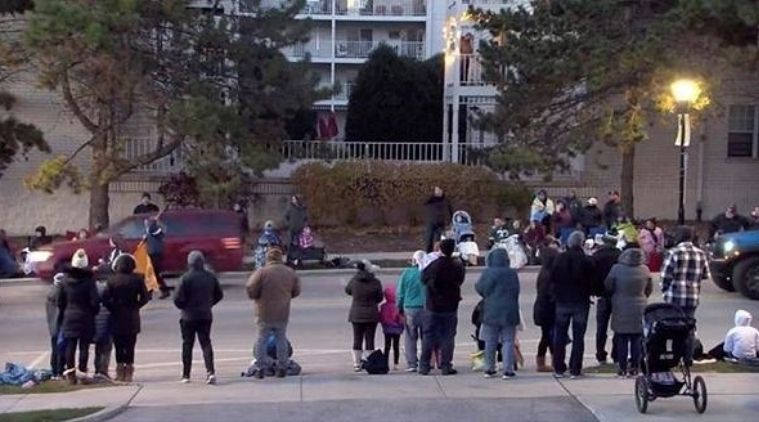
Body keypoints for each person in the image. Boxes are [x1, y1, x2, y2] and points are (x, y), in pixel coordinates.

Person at [246, 247, 301, 379]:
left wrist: (256, 296)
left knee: (262, 339)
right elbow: (296, 290)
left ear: (268, 258)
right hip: (282, 311)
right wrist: (287, 296)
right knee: (281, 338)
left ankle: (260, 367)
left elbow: (250, 288)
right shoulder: (289, 273)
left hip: (263, 312)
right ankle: (282, 367)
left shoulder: (262, 272)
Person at [173, 251, 224, 385]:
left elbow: (177, 299)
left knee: (187, 344)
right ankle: (210, 372)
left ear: (189, 263)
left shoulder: (185, 278)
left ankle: (186, 374)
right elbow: (219, 294)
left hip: (188, 316)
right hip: (205, 314)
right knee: (206, 343)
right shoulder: (210, 277)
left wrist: (184, 307)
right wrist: (209, 304)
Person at [550, 231, 595, 378]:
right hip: (580, 301)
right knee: (578, 336)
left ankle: (558, 367)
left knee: (560, 335)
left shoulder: (559, 259)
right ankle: (575, 368)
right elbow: (592, 281)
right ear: (581, 243)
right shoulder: (586, 260)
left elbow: (553, 278)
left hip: (562, 300)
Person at [420, 238, 466, 376]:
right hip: (450, 305)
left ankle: (424, 365)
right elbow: (460, 280)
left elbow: (423, 278)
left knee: (428, 335)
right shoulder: (457, 266)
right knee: (448, 336)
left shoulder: (434, 265)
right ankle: (446, 365)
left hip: (433, 305)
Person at [604, 248, 653, 377]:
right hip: (639, 306)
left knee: (622, 338)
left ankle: (622, 367)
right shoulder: (645, 270)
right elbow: (649, 288)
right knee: (637, 338)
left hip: (620, 304)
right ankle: (635, 366)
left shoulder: (616, 269)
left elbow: (608, 285)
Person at [102, 254, 149, 383]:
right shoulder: (138, 279)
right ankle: (129, 370)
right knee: (130, 345)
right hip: (132, 315)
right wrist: (137, 306)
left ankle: (119, 370)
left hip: (116, 315)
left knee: (118, 345)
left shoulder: (112, 280)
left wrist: (112, 307)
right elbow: (145, 298)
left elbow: (105, 298)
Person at [475, 248, 520, 379]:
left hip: (491, 310)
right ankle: (508, 369)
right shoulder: (512, 273)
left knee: (490, 340)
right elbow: (516, 290)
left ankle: (489, 368)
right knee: (508, 340)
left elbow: (480, 288)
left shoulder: (488, 273)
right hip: (510, 310)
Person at [58, 249, 100, 385]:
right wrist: (93, 312)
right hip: (86, 316)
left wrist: (65, 312)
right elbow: (95, 301)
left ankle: (70, 374)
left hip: (69, 315)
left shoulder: (64, 281)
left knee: (70, 346)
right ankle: (82, 373)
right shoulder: (89, 281)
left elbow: (60, 302)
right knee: (84, 347)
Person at [660, 226, 711, 320]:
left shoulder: (673, 253)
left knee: (674, 325)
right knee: (689, 325)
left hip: (674, 296)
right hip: (692, 296)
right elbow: (706, 275)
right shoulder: (701, 253)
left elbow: (665, 277)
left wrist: (665, 292)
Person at [345, 260, 383, 371]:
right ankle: (370, 361)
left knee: (357, 338)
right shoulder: (375, 282)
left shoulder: (354, 280)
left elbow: (347, 290)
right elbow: (380, 297)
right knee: (370, 339)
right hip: (372, 313)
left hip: (356, 313)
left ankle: (357, 363)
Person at [592, 235, 621, 364]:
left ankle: (600, 354)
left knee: (601, 327)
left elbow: (591, 273)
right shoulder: (620, 256)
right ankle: (616, 353)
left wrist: (594, 290)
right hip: (618, 294)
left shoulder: (597, 256)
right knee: (618, 326)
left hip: (602, 294)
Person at [396, 251, 426, 372]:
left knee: (410, 336)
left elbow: (400, 293)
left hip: (410, 308)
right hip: (425, 308)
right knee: (426, 336)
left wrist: (399, 308)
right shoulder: (426, 273)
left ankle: (412, 363)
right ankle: (426, 361)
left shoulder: (407, 273)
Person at [533, 245, 559, 372]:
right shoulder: (550, 274)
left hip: (542, 308)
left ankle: (543, 361)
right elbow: (550, 293)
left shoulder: (544, 272)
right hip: (548, 309)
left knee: (546, 336)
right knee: (549, 336)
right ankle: (552, 361)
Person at [92, 278, 113, 380]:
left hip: (95, 331)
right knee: (106, 350)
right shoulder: (109, 308)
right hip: (106, 333)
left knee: (97, 351)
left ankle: (97, 370)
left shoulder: (93, 307)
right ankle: (103, 371)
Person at [144, 217, 170, 299]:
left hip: (155, 254)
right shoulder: (151, 231)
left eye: (147, 222)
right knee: (152, 273)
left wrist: (158, 222)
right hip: (152, 253)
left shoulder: (154, 230)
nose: (145, 224)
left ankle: (160, 291)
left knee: (153, 273)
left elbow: (163, 230)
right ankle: (153, 292)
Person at [379, 286, 404, 370]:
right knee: (396, 346)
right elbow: (400, 318)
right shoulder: (398, 306)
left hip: (387, 329)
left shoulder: (383, 306)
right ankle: (396, 363)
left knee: (387, 346)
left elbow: (381, 317)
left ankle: (385, 362)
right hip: (397, 329)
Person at [45, 274, 65, 379]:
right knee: (61, 349)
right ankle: (59, 371)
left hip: (53, 326)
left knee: (55, 349)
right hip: (60, 325)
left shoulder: (50, 292)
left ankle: (55, 371)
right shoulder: (59, 293)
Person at [423, 186, 453, 253]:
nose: (438, 192)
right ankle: (428, 253)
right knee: (429, 239)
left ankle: (437, 253)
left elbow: (450, 210)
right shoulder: (431, 200)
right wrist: (433, 196)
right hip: (431, 222)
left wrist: (450, 221)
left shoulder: (445, 200)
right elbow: (424, 202)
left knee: (438, 240)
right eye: (436, 190)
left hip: (441, 223)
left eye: (439, 190)